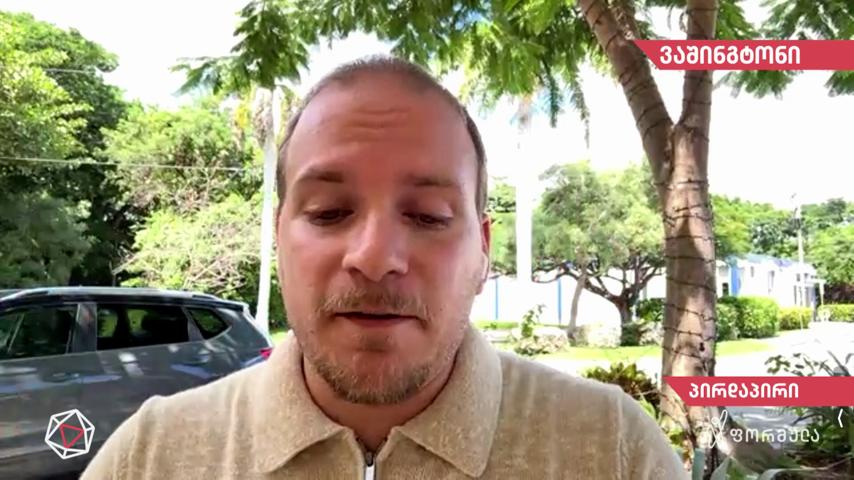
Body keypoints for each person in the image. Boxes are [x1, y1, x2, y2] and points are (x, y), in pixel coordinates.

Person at [81, 54, 688, 479]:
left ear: (482, 252)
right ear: (279, 237)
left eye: (426, 215)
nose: (374, 258)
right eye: (329, 211)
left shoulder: (613, 450)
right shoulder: (151, 456)